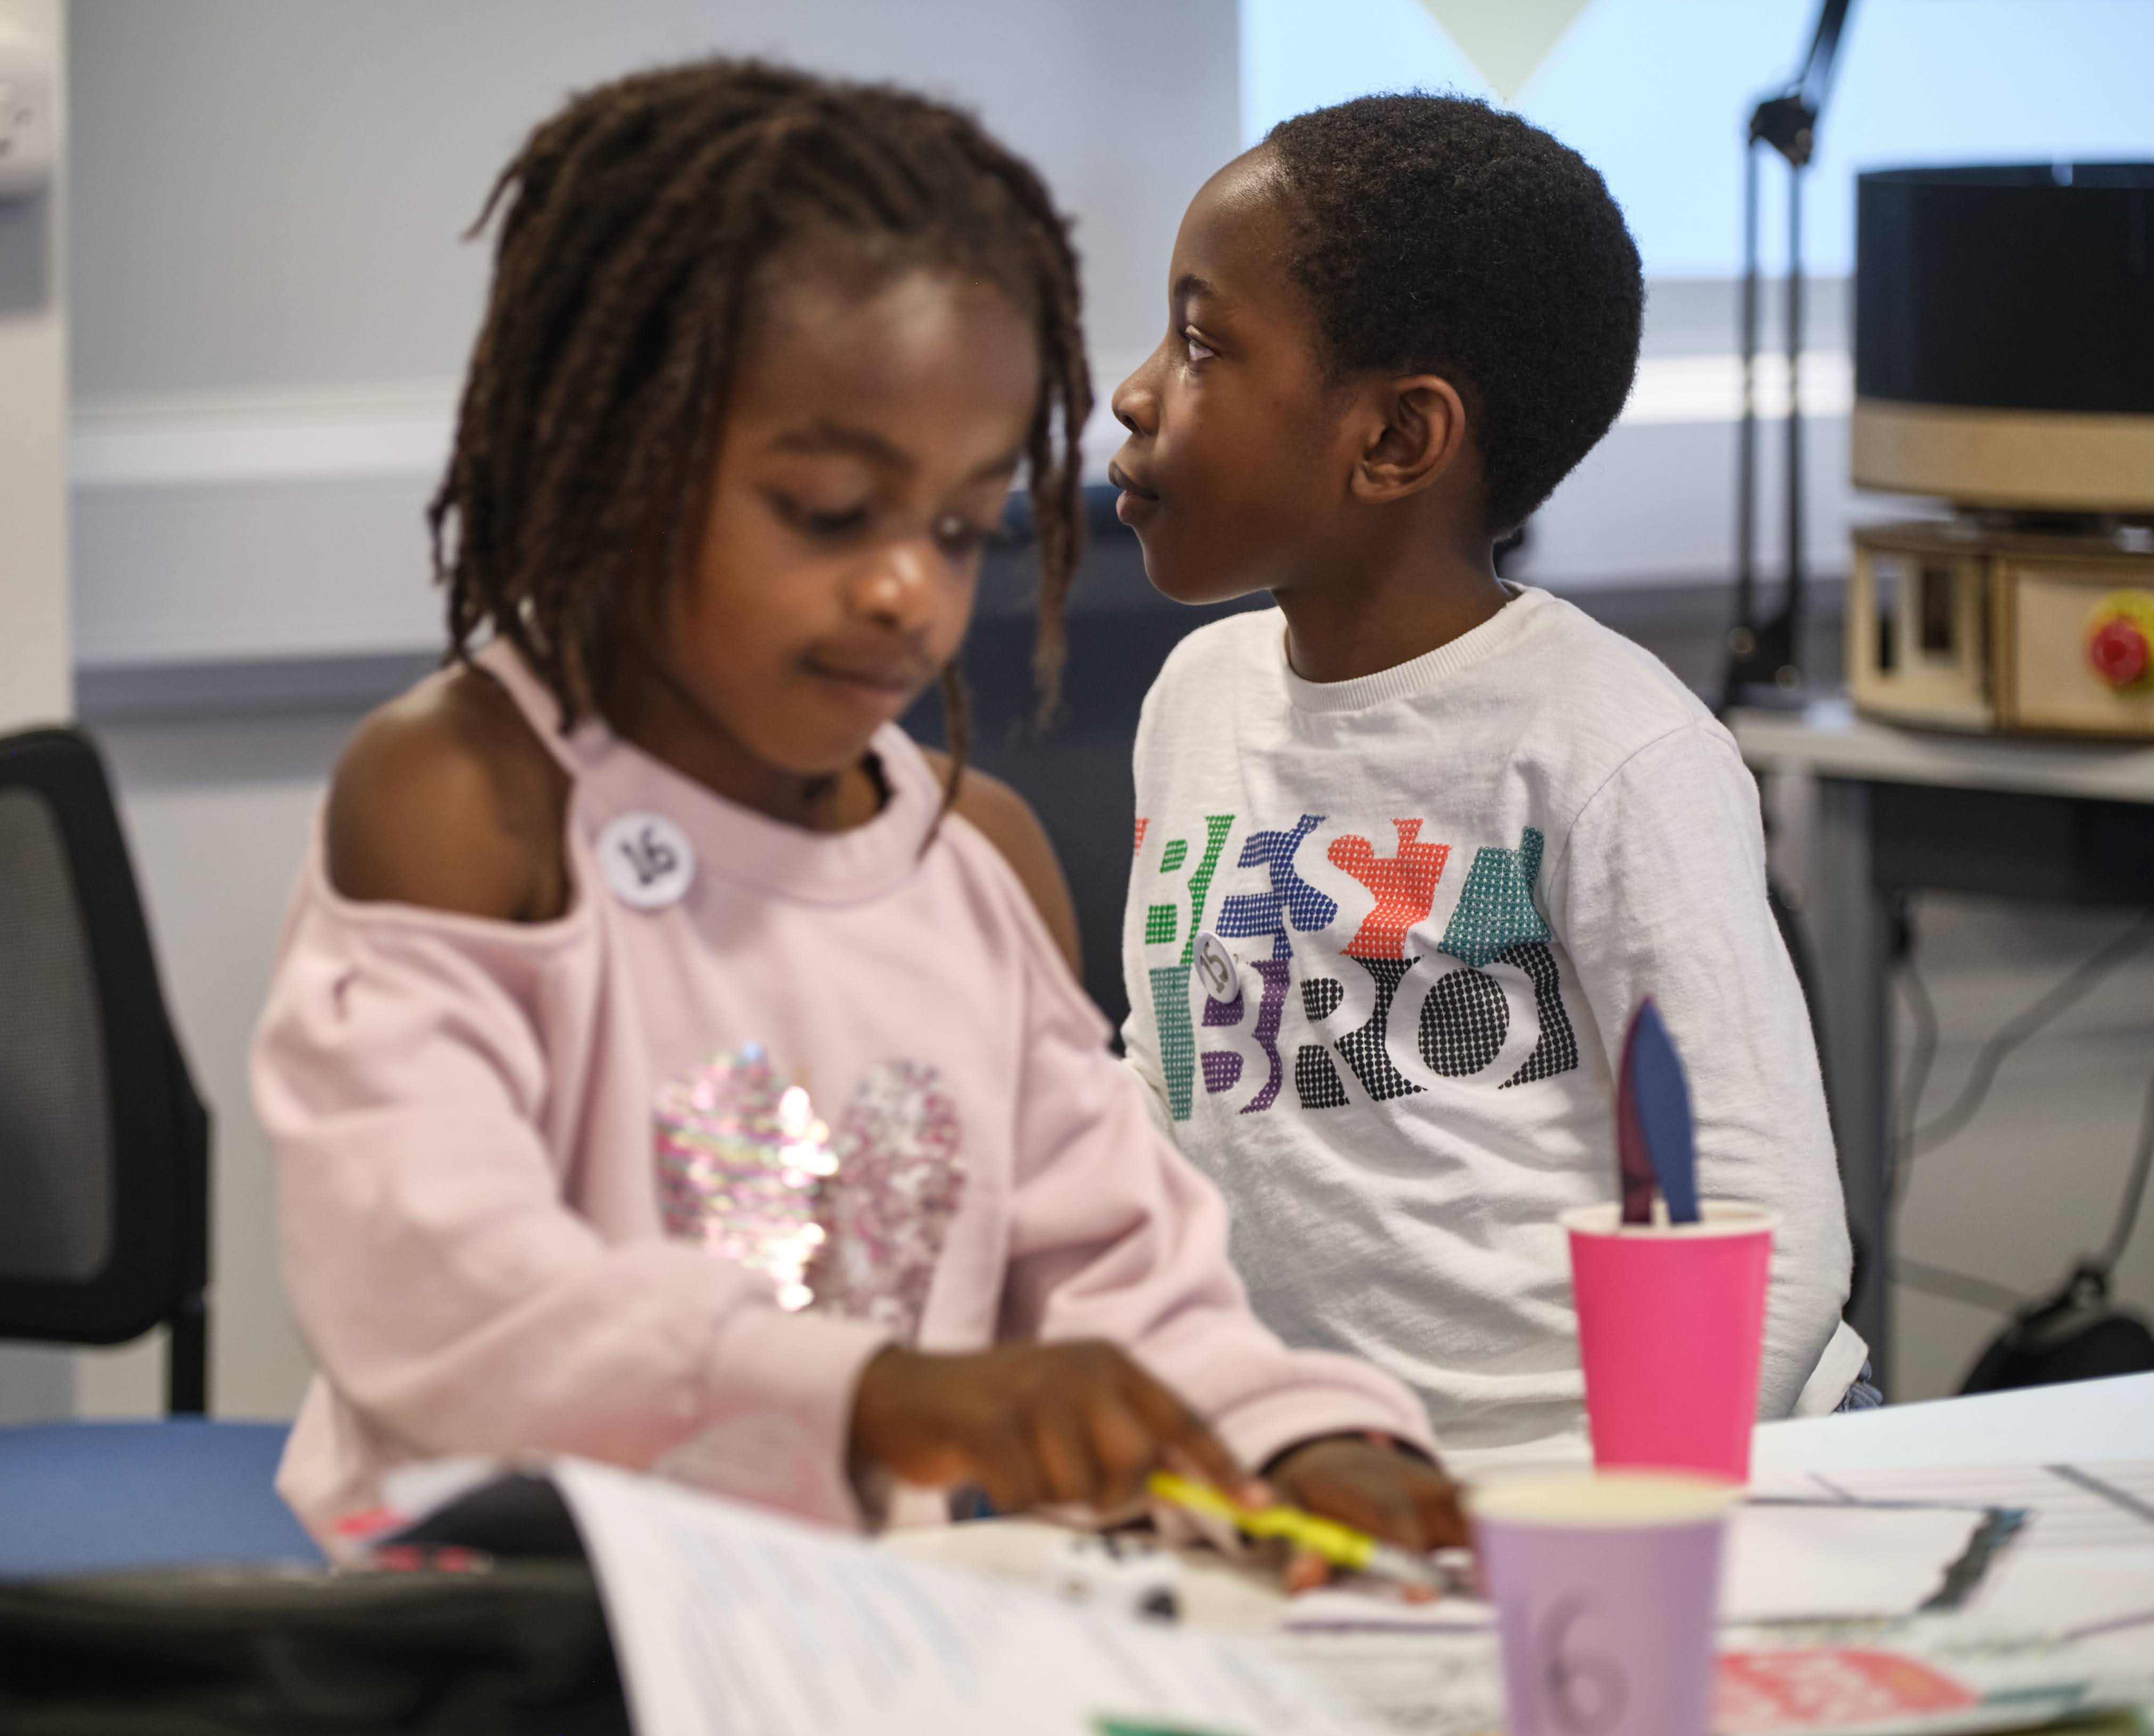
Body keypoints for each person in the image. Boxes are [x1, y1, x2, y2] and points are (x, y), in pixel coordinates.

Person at [253, 61, 1460, 1566]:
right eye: (830, 511)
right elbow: (435, 1284)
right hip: (491, 1622)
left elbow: (1124, 1269)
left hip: (840, 1624)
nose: (906, 588)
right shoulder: (468, 797)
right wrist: (876, 1396)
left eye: (957, 524)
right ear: (615, 453)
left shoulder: (966, 854)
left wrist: (1290, 1438)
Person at [1109, 95, 1870, 1453]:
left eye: (1202, 344)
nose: (1135, 389)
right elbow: (1170, 1092)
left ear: (1396, 440)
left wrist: (1637, 1510)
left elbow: (1761, 1220)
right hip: (1368, 1484)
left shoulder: (1610, 743)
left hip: (1647, 1468)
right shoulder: (1193, 700)